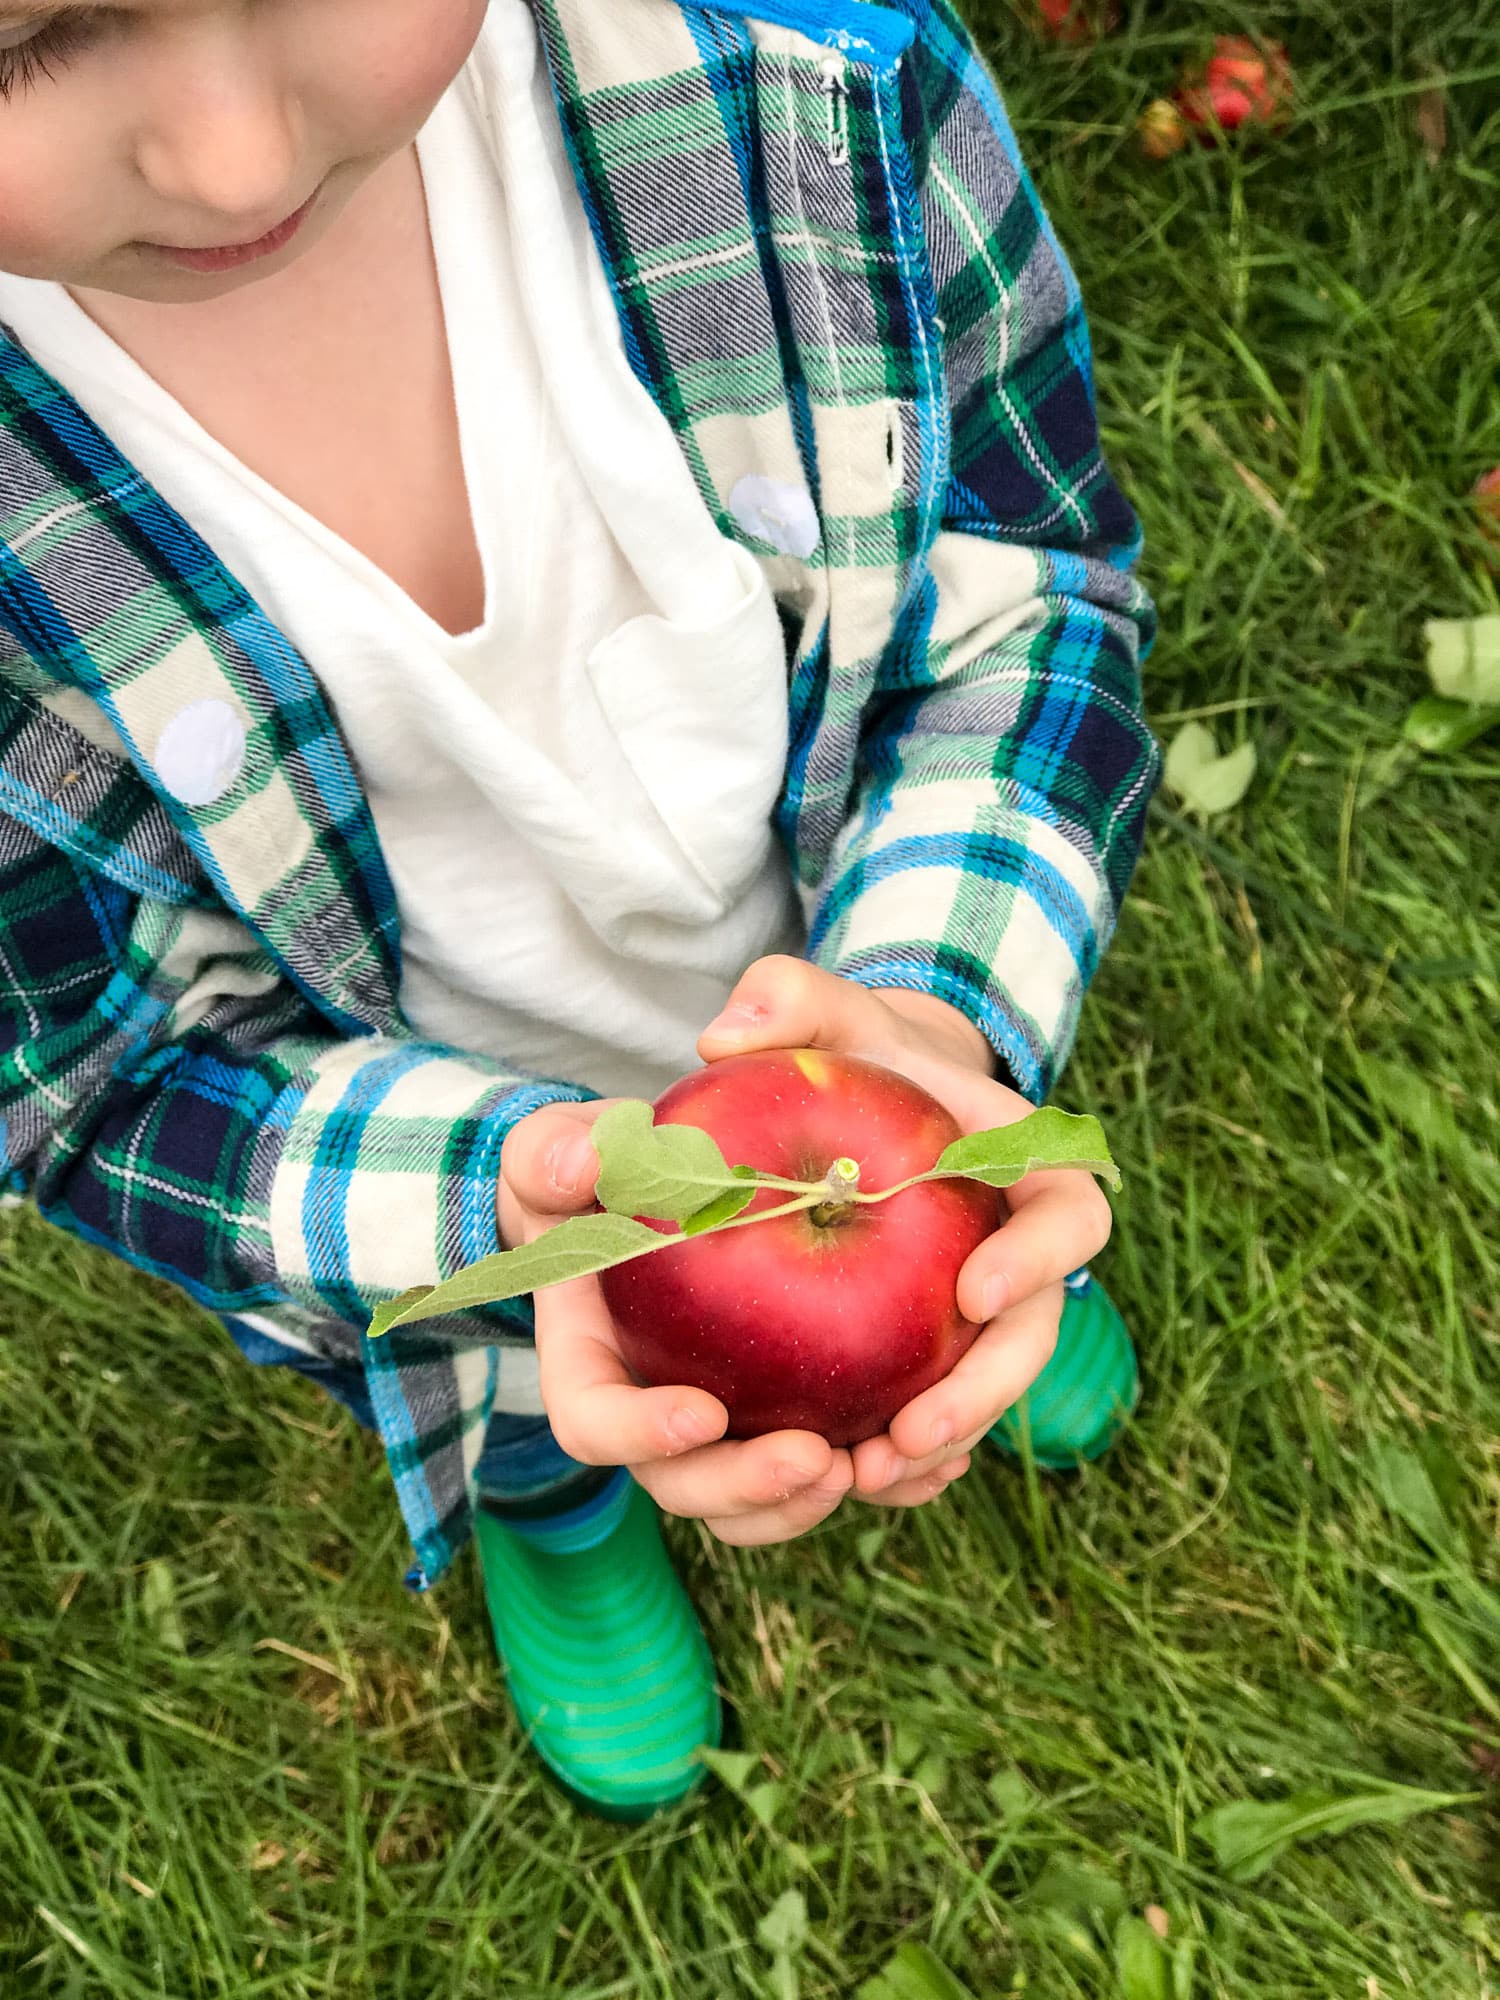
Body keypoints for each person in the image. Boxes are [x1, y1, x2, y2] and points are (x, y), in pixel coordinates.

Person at [0, 0, 1159, 1820]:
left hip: (869, 1056)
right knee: (539, 1387)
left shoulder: (824, 85)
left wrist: (933, 1033)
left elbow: (1028, 601)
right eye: (20, 51)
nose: (229, 155)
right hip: (432, 1173)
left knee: (918, 1266)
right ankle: (546, 1504)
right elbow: (86, 1077)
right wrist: (521, 1216)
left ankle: (959, 1262)